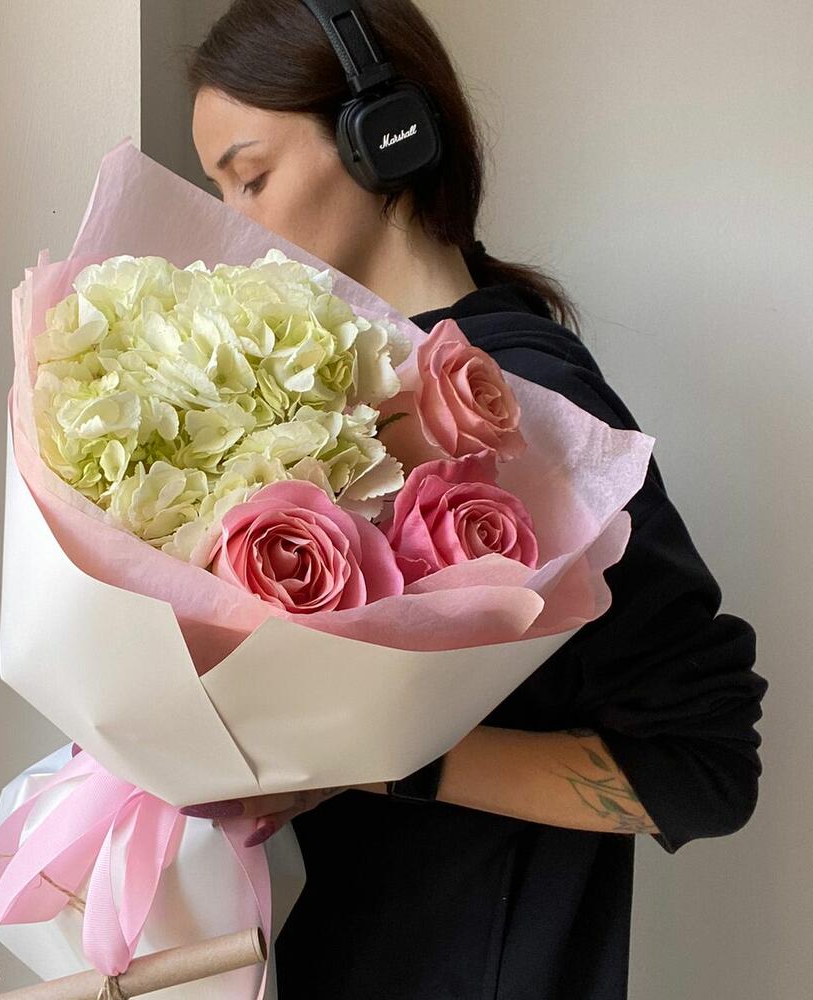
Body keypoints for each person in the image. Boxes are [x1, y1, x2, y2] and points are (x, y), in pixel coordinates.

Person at [178, 2, 769, 997]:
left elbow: (705, 769)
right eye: (218, 190)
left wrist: (392, 760)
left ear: (383, 139)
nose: (234, 226)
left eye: (252, 177)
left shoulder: (528, 404)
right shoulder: (340, 400)